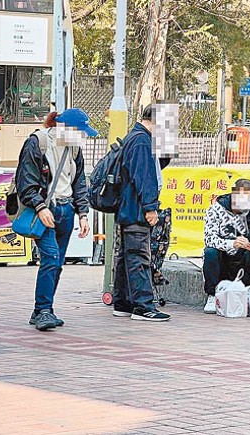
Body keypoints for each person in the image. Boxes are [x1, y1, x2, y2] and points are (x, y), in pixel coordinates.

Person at [16, 108, 95, 331]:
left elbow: (79, 182)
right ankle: (43, 310)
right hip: (45, 211)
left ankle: (41, 309)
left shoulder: (74, 149)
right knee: (50, 258)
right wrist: (40, 207)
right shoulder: (38, 143)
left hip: (65, 210)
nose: (83, 137)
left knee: (57, 263)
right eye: (79, 132)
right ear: (63, 127)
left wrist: (83, 214)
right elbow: (26, 181)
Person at [112, 104, 170, 322]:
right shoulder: (141, 141)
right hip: (136, 209)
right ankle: (143, 306)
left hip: (128, 208)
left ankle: (123, 302)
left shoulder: (139, 137)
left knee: (126, 255)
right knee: (139, 256)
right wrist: (150, 207)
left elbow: (158, 165)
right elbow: (144, 176)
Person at [202, 178, 250, 314]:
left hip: (248, 255)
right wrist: (232, 243)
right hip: (225, 255)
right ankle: (212, 295)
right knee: (210, 252)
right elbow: (209, 239)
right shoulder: (215, 209)